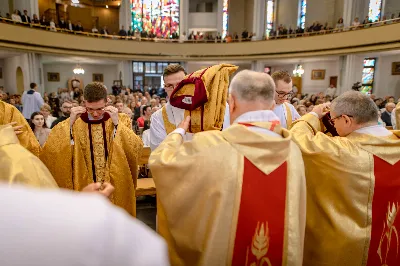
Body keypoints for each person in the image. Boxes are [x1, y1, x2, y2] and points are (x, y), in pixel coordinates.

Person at [149, 70, 306, 266]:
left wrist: (179, 131)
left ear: (231, 102)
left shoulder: (214, 145)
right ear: (272, 104)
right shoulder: (294, 152)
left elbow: (161, 162)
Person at [290, 91, 400, 266]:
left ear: (347, 120)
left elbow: (296, 140)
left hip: (349, 252)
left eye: (334, 120)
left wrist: (312, 115)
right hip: (391, 248)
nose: (332, 124)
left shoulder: (343, 151)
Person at [0, 183, 168, 266]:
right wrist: (85, 207)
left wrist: (117, 128)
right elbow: (151, 257)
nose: (95, 113)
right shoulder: (98, 222)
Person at [40, 82, 143, 216]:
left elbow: (135, 148)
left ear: (107, 101)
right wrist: (69, 124)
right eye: (90, 109)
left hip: (114, 183)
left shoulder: (120, 119)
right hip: (84, 183)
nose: (95, 114)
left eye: (100, 108)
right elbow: (52, 151)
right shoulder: (75, 123)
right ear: (84, 103)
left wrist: (117, 124)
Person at [149, 64, 190, 150]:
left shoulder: (202, 110)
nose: (175, 89)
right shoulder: (158, 118)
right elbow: (159, 153)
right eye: (170, 86)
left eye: (180, 84)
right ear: (165, 87)